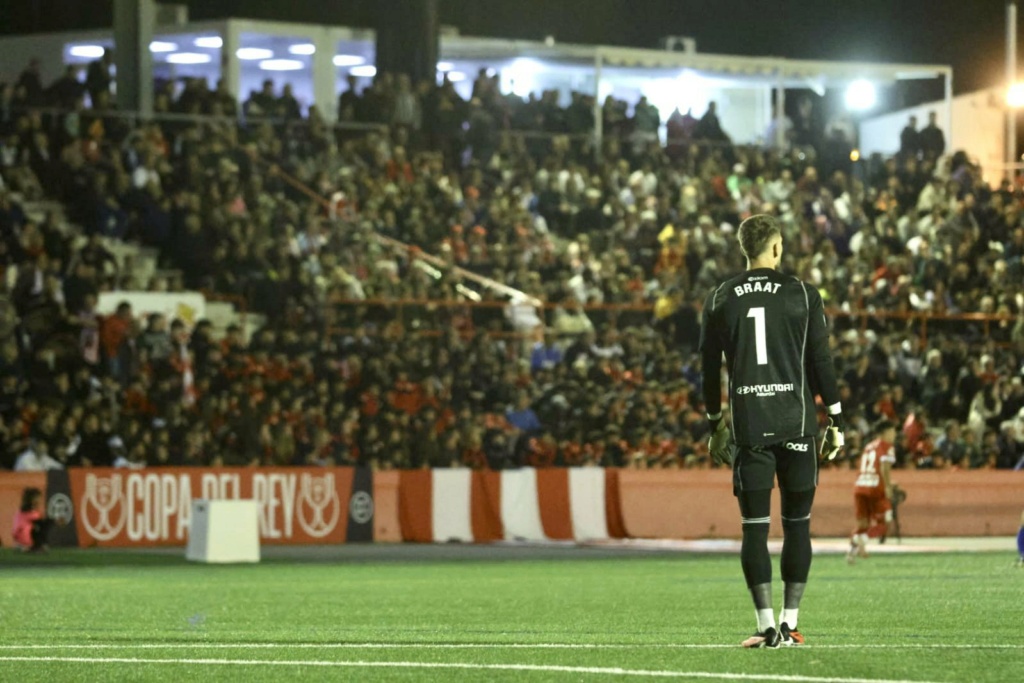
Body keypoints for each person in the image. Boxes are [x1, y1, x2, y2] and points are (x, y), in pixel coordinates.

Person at [699, 213, 845, 648]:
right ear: (777, 248)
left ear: (744, 249)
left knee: (755, 528)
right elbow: (821, 362)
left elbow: (708, 369)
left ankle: (765, 626)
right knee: (798, 526)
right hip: (797, 423)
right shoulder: (802, 293)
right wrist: (836, 420)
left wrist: (714, 423)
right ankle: (791, 621)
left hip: (751, 427)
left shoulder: (721, 297)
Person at [848, 420, 897, 563]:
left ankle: (852, 552)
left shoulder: (869, 446)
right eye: (892, 431)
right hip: (876, 487)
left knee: (862, 524)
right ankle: (861, 539)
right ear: (885, 432)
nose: (894, 434)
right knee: (885, 521)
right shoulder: (887, 446)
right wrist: (888, 486)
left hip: (860, 486)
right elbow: (884, 467)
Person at [12, 487, 52, 552]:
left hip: (18, 539)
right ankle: (38, 546)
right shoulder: (32, 513)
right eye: (38, 498)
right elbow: (41, 523)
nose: (39, 501)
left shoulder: (20, 512)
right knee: (44, 525)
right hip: (26, 538)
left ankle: (23, 546)